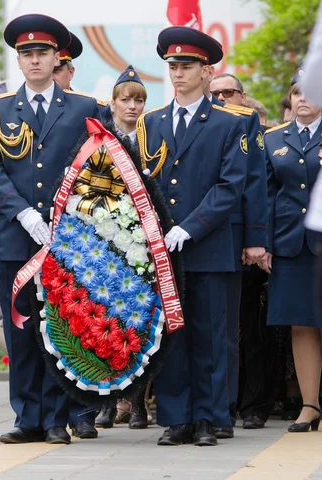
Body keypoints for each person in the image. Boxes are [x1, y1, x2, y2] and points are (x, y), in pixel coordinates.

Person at [0, 14, 101, 445]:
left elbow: (101, 165)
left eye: (42, 53)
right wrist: (24, 213)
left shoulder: (85, 108)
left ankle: (56, 418)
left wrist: (75, 215)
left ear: (56, 58)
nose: (34, 60)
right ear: (18, 60)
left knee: (60, 327)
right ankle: (27, 417)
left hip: (65, 239)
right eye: (26, 54)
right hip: (17, 235)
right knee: (21, 328)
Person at [137, 27, 248, 446]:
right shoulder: (152, 123)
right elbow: (143, 183)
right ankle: (177, 417)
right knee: (172, 335)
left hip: (209, 244)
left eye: (186, 66)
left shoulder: (226, 123)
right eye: (173, 66)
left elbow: (229, 184)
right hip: (164, 250)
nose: (178, 73)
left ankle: (209, 417)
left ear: (207, 70)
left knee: (211, 336)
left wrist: (190, 226)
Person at [260, 71, 322, 433]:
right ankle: (310, 404)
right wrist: (264, 243)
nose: (301, 99)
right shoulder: (273, 140)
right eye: (296, 92)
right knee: (303, 323)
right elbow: (266, 197)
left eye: (310, 92)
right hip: (291, 243)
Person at [209, 73, 268, 434]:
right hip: (205, 239)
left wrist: (256, 239)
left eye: (228, 92)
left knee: (241, 329)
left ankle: (240, 406)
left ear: (243, 96)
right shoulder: (205, 123)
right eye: (215, 92)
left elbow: (255, 184)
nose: (221, 97)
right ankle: (213, 405)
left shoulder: (248, 124)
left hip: (242, 242)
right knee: (210, 330)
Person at [94, 64, 150, 431]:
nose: (132, 106)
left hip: (144, 242)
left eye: (139, 100)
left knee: (140, 322)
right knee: (104, 321)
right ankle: (108, 399)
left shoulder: (153, 138)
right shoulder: (99, 141)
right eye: (126, 99)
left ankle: (140, 402)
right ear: (112, 104)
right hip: (105, 241)